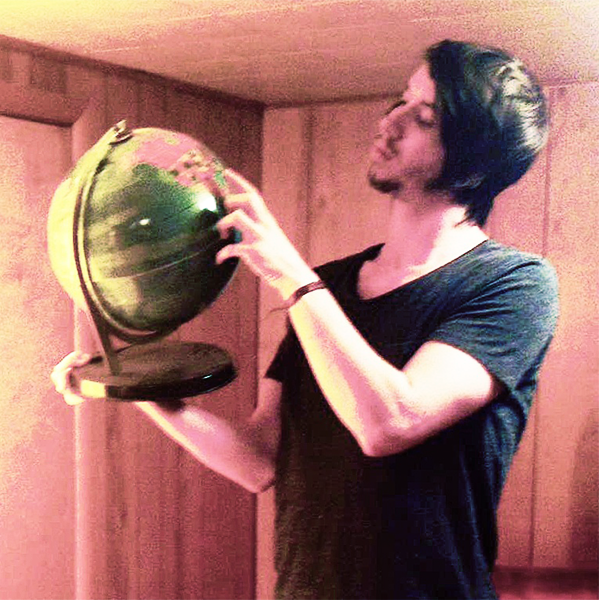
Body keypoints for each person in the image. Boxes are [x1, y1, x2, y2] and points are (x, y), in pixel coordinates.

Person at [52, 40, 559, 600]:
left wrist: (293, 277)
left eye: (424, 116)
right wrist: (135, 385)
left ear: (474, 162)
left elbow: (391, 421)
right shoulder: (327, 287)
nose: (388, 122)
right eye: (400, 100)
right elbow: (259, 461)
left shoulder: (515, 285)